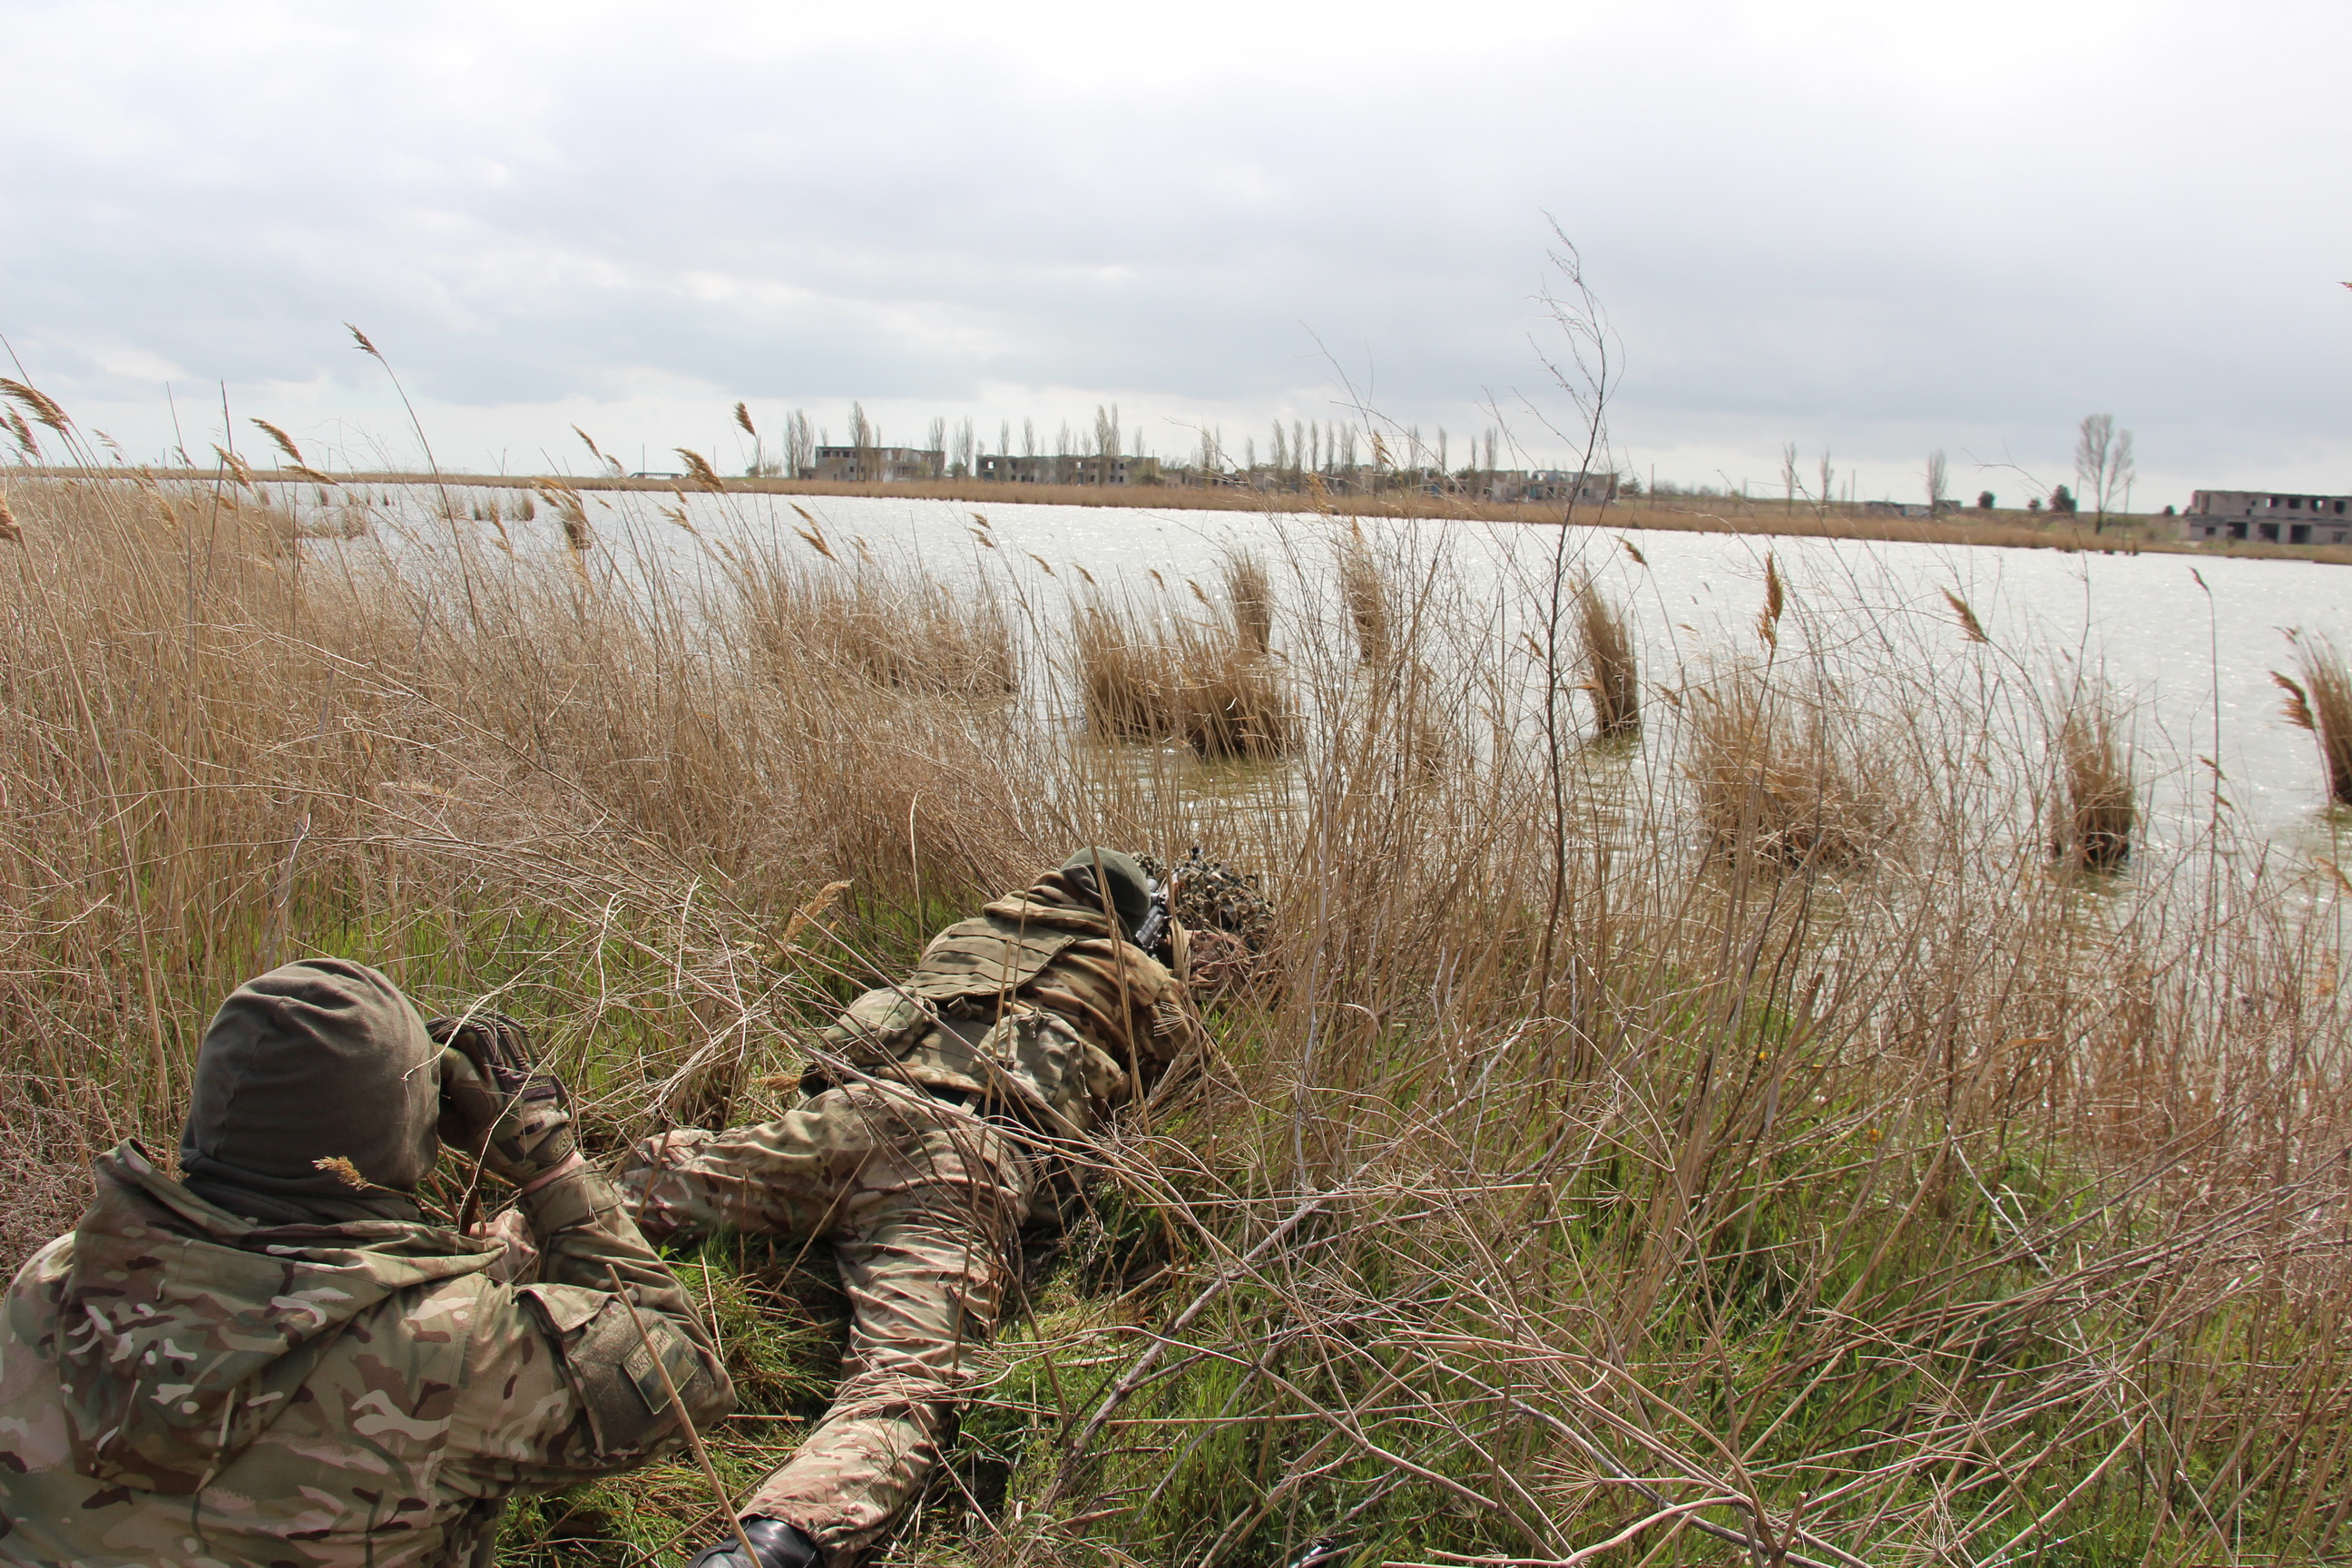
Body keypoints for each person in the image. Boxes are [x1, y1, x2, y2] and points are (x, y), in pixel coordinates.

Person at [0, 957, 734, 1567]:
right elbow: (686, 1385)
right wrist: (552, 1167)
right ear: (409, 1130)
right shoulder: (452, 1348)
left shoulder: (59, 1277)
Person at [621, 848, 1208, 1568]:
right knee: (905, 1382)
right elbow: (1180, 1063)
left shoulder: (966, 935)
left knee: (649, 1185)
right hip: (962, 1160)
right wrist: (1172, 961)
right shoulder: (1140, 977)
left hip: (848, 1115)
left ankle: (483, 1263)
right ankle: (769, 1550)